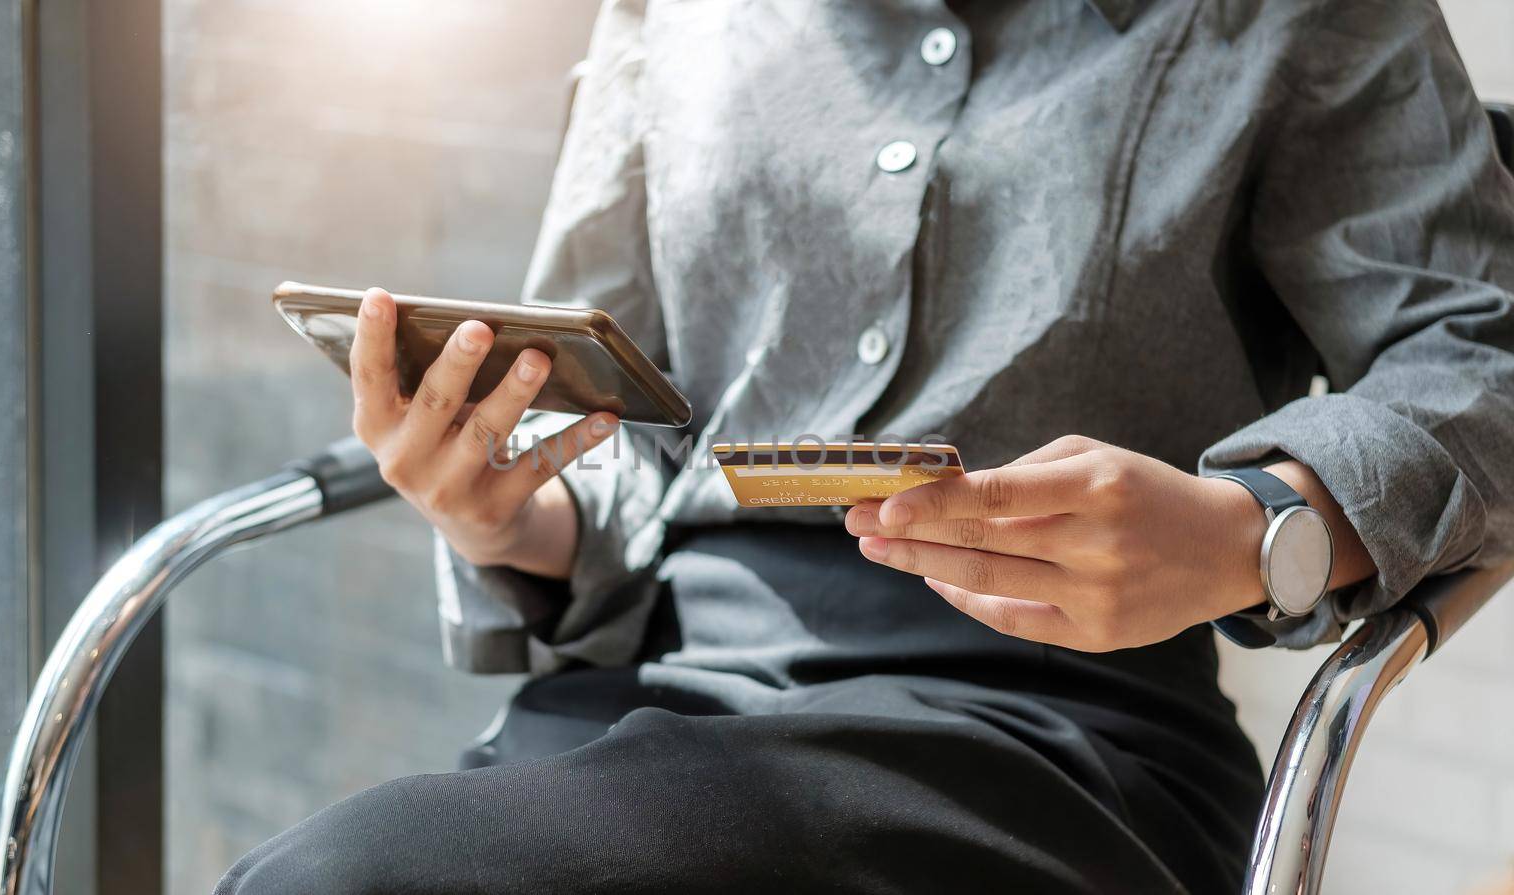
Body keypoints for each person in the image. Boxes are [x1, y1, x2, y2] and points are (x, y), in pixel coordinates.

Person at [216, 0, 1514, 891]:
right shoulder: (676, 18)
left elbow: (1485, 357)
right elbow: (607, 427)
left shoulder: (1291, 18)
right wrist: (508, 518)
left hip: (1053, 744)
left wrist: (1257, 531)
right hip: (650, 707)